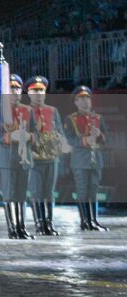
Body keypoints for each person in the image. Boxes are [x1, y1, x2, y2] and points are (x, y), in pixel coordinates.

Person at [0, 73, 35, 240]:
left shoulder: (28, 110)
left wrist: (29, 136)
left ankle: (21, 227)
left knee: (21, 194)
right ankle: (12, 229)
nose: (15, 90)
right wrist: (10, 137)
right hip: (6, 157)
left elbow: (36, 133)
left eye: (17, 87)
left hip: (24, 157)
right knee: (9, 194)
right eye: (11, 88)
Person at [25, 75, 66, 236]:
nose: (39, 93)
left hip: (51, 157)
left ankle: (49, 222)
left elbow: (59, 132)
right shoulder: (24, 111)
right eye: (35, 90)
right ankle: (39, 224)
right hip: (33, 157)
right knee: (36, 192)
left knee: (49, 192)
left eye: (41, 90)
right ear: (28, 92)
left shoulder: (52, 111)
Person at [67, 85, 108, 231]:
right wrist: (84, 141)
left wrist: (99, 135)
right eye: (81, 98)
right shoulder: (71, 119)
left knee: (93, 191)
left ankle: (94, 220)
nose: (85, 101)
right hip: (80, 160)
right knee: (82, 191)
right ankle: (85, 221)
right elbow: (70, 139)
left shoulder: (98, 118)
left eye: (87, 98)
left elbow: (105, 139)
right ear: (76, 102)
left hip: (96, 159)